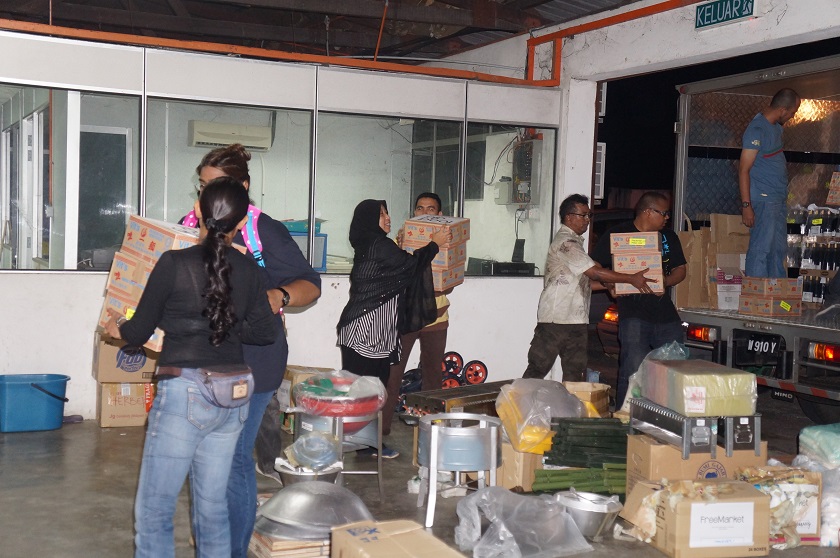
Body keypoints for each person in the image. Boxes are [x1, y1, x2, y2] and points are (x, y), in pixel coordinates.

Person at [105, 177, 280, 558]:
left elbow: (137, 332)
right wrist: (227, 320)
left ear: (198, 212)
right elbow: (265, 333)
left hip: (185, 392)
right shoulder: (250, 270)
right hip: (233, 395)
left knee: (155, 510)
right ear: (241, 221)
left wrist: (115, 325)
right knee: (213, 510)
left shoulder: (174, 264)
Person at [181, 144, 322, 558]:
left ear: (243, 187)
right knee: (199, 456)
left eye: (217, 186)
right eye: (203, 185)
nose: (208, 195)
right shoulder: (188, 227)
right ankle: (211, 540)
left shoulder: (265, 231)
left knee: (233, 458)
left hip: (254, 360)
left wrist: (277, 294)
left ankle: (233, 549)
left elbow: (308, 282)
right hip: (202, 359)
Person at [337, 199, 449, 459]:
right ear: (369, 219)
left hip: (371, 330)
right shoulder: (379, 245)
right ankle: (361, 444)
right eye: (382, 214)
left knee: (370, 390)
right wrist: (435, 244)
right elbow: (410, 266)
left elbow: (403, 267)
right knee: (367, 391)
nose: (388, 218)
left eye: (388, 212)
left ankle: (366, 445)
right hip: (366, 331)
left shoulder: (373, 244)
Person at [522, 194, 655, 382]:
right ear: (569, 217)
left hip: (576, 320)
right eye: (583, 215)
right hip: (555, 320)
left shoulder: (576, 244)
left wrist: (612, 285)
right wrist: (631, 278)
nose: (587, 220)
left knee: (575, 374)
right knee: (537, 369)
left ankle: (569, 411)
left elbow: (586, 282)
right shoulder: (566, 243)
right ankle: (515, 408)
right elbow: (595, 273)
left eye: (589, 215)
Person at [591, 192, 687, 409]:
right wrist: (610, 284)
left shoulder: (667, 237)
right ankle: (626, 417)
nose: (666, 218)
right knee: (632, 369)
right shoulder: (617, 234)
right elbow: (595, 270)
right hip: (633, 315)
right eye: (663, 213)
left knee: (673, 369)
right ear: (647, 211)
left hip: (666, 315)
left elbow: (680, 270)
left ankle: (668, 416)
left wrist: (666, 280)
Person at [382, 193, 451, 448]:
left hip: (436, 317)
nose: (424, 212)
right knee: (393, 373)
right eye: (419, 208)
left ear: (440, 214)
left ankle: (433, 430)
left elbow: (449, 284)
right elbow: (397, 275)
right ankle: (382, 430)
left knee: (433, 374)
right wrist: (403, 249)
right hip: (408, 316)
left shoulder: (448, 241)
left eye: (430, 209)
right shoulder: (403, 238)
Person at [739, 88, 800, 278]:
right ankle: (756, 299)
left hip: (777, 199)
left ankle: (775, 297)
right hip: (763, 200)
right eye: (792, 112)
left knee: (778, 251)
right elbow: (743, 170)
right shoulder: (756, 130)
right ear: (782, 109)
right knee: (761, 249)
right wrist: (747, 205)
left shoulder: (775, 127)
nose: (792, 116)